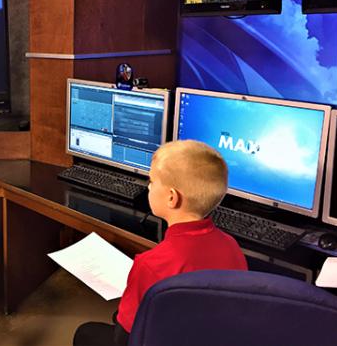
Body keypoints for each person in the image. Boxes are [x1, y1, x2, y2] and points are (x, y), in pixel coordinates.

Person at [73, 140, 248, 346]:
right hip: (205, 335)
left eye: (152, 181)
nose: (148, 186)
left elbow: (124, 337)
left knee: (85, 332)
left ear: (172, 198)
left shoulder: (150, 265)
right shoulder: (232, 246)